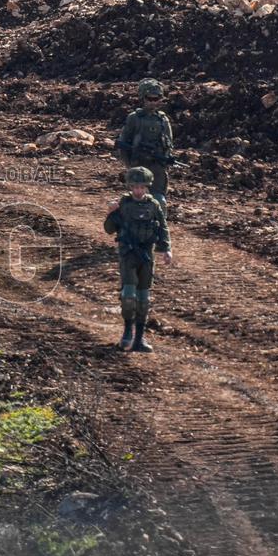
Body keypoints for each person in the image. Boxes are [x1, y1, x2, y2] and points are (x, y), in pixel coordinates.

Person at [104, 167, 173, 353]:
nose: (139, 191)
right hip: (128, 255)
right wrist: (111, 212)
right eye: (135, 187)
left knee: (143, 299)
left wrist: (166, 249)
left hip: (147, 255)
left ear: (147, 187)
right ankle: (127, 331)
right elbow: (109, 229)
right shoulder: (123, 205)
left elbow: (162, 228)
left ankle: (139, 339)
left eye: (142, 187)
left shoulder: (154, 205)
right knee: (128, 296)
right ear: (130, 187)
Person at [117, 78, 175, 212]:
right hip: (139, 165)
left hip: (157, 168)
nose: (153, 102)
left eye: (157, 98)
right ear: (143, 98)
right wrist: (129, 166)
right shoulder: (135, 118)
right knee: (136, 202)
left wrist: (166, 159)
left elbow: (168, 143)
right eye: (150, 98)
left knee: (159, 202)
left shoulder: (163, 120)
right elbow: (123, 144)